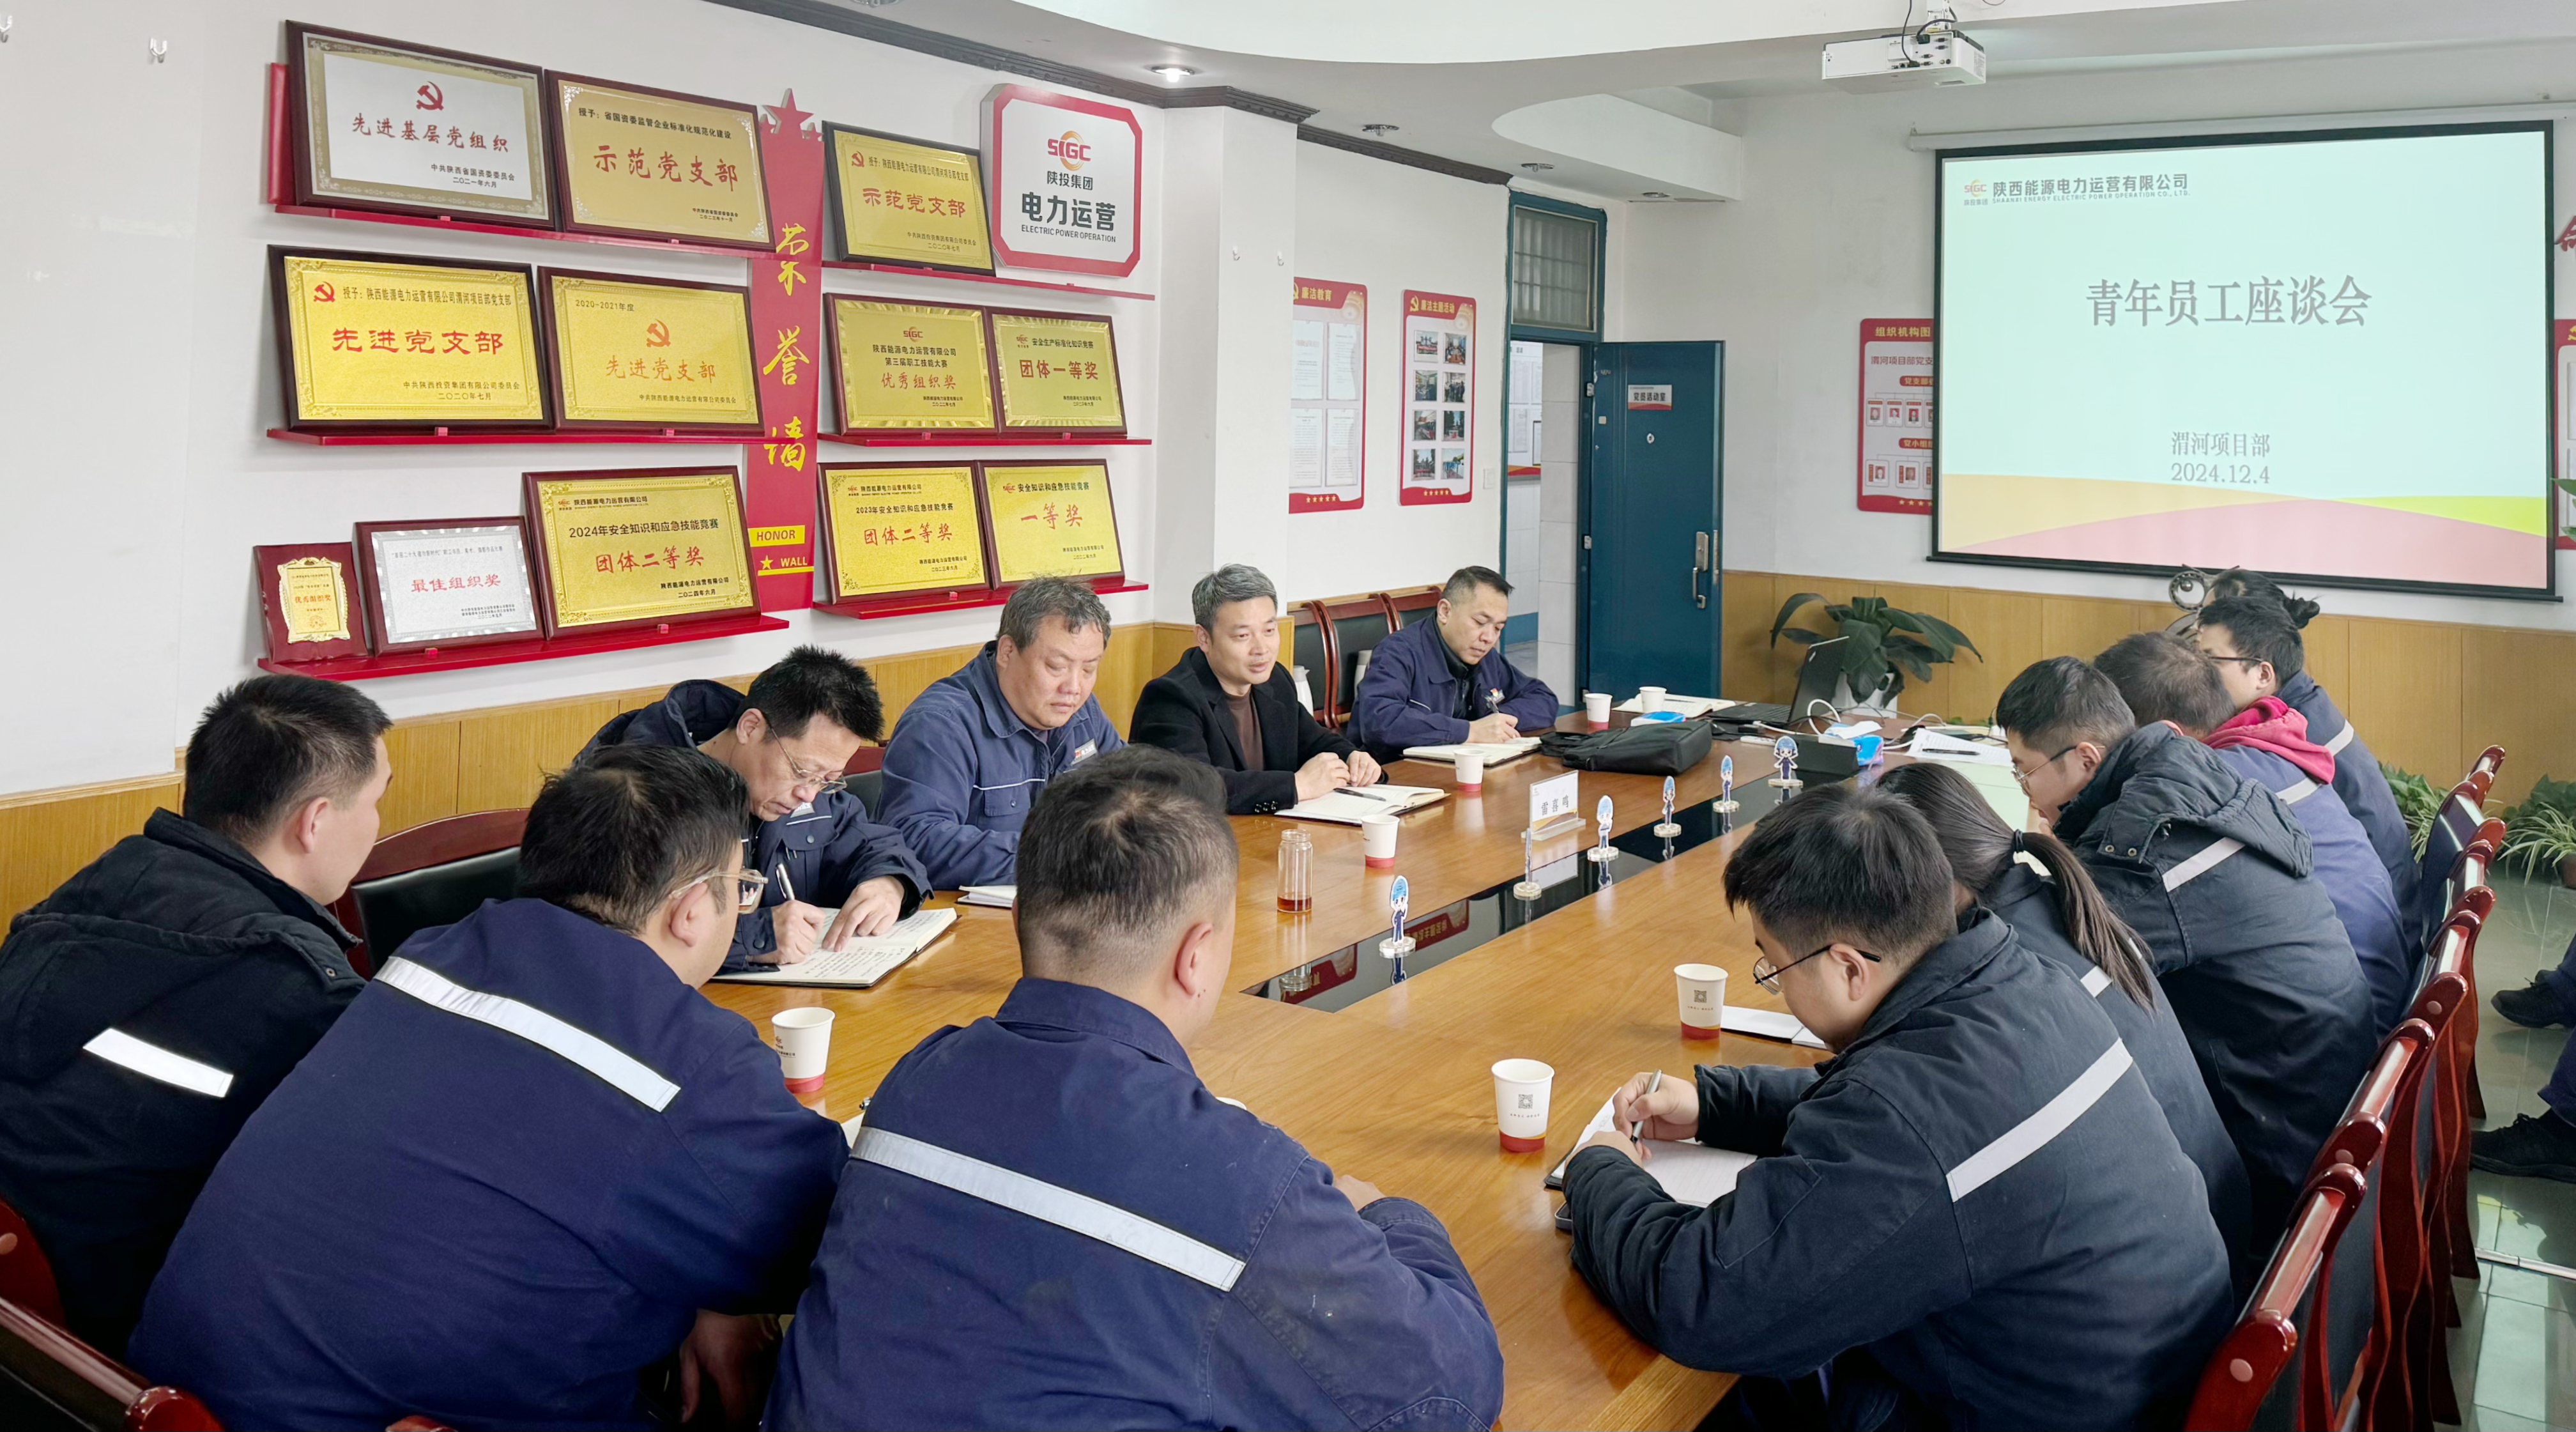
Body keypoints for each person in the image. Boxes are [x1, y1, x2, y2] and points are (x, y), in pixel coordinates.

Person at [769, 747, 1505, 1431]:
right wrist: (1387, 1216)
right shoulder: (1241, 1184)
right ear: (1196, 956)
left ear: (1019, 916)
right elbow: (1449, 1392)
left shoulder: (916, 1078)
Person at [130, 745, 847, 1431]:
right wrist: (722, 1288)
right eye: (742, 889)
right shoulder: (687, 1061)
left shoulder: (431, 956)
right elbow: (839, 1241)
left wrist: (710, 1290)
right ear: (690, 910)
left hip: (172, 1395)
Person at [1562, 784, 2232, 1431]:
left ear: (1850, 968)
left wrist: (1599, 1168)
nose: (1778, 988)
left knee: (1747, 1387)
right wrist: (1717, 1105)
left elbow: (1703, 1299)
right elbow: (1905, 1122)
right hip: (2140, 1381)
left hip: (2041, 1411)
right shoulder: (2023, 981)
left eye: (1775, 968)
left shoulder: (1907, 1115)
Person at [0, 675, 388, 1354]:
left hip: (28, 1286)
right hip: (114, 1320)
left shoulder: (107, 881)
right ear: (316, 820)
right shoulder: (295, 988)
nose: (379, 823)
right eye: (377, 800)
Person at [1997, 656, 2374, 1236]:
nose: (2022, 787)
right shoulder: (2185, 771)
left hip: (2275, 1147)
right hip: (2313, 1088)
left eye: (2023, 770)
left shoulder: (2145, 845)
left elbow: (2041, 967)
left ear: (2086, 759)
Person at [1876, 760, 2257, 1289]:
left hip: (2178, 1258)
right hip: (2214, 1230)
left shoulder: (2003, 968)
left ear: (1935, 877)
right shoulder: (2056, 899)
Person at [2096, 631, 2414, 1036]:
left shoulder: (2215, 790)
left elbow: (2113, 921)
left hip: (2352, 1028)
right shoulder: (2263, 751)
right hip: (2371, 997)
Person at [581, 644, 927, 972]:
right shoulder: (634, 796)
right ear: (751, 727)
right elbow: (608, 934)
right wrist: (756, 937)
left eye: (828, 779)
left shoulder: (804, 787)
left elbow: (872, 843)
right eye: (802, 772)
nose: (809, 795)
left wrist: (890, 883)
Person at [2192, 592, 2422, 940]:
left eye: (2210, 661)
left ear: (2263, 674)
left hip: (2378, 926)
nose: (2196, 674)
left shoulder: (2290, 731)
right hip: (2382, 915)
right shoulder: (2306, 701)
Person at [879, 577, 1125, 889]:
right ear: (1008, 651)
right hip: (969, 913)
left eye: (1089, 669)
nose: (1074, 688)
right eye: (1056, 666)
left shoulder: (1081, 710)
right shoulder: (940, 725)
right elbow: (916, 841)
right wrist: (1053, 858)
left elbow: (1132, 789)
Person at [1131, 564, 1383, 815]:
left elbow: (1314, 740)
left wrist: (1352, 757)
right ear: (1204, 638)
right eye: (1243, 636)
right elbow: (1194, 788)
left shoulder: (1275, 680)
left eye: (1269, 631)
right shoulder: (1171, 698)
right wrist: (1297, 786)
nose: (1262, 649)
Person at [1347, 566, 1558, 764]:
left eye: (1498, 628)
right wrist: (1470, 731)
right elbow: (1380, 723)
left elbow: (1542, 698)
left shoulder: (1485, 656)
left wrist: (1497, 721)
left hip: (1460, 769)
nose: (1489, 638)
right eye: (1480, 622)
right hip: (1395, 772)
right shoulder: (1398, 653)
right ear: (1445, 612)